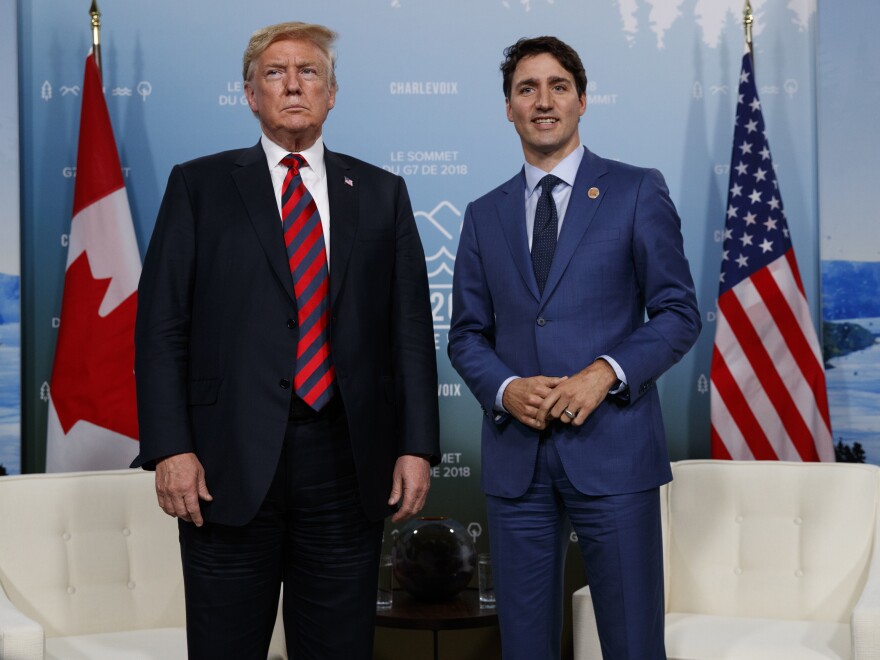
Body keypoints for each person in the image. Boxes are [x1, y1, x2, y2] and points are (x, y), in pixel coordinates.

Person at [132, 21, 440, 660]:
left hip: (346, 463)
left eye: (309, 73)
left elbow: (409, 332)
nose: (293, 84)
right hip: (224, 465)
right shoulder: (200, 186)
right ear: (249, 94)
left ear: (332, 94)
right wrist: (169, 448)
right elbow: (161, 327)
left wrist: (416, 448)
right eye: (275, 73)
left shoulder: (382, 193)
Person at [448, 36, 701, 659]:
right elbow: (466, 335)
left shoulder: (638, 190)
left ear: (582, 101)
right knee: (525, 647)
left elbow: (677, 313)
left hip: (613, 450)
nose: (543, 101)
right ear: (507, 107)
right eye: (526, 88)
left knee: (632, 643)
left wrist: (607, 372)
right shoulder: (483, 214)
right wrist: (506, 389)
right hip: (518, 461)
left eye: (558, 86)